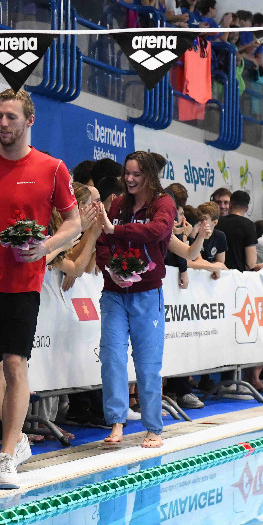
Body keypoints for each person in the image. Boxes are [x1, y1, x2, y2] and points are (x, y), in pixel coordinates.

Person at [0, 88, 79, 489]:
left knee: (15, 363)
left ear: (30, 120)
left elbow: (74, 223)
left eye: (11, 116)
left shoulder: (52, 167)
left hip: (22, 282)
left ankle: (7, 452)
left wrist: (45, 247)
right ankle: (19, 438)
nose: (3, 123)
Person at [96, 151, 176, 449]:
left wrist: (116, 229)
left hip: (147, 293)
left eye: (136, 174)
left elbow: (158, 230)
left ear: (150, 176)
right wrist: (112, 269)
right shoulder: (118, 204)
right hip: (114, 292)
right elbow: (103, 243)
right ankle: (117, 422)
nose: (129, 179)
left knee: (147, 363)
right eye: (126, 173)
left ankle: (153, 427)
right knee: (112, 357)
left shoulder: (163, 203)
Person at [215, 190, 260, 272]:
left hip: (217, 270)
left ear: (230, 205)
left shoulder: (216, 222)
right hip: (236, 273)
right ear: (247, 209)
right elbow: (251, 263)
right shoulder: (249, 225)